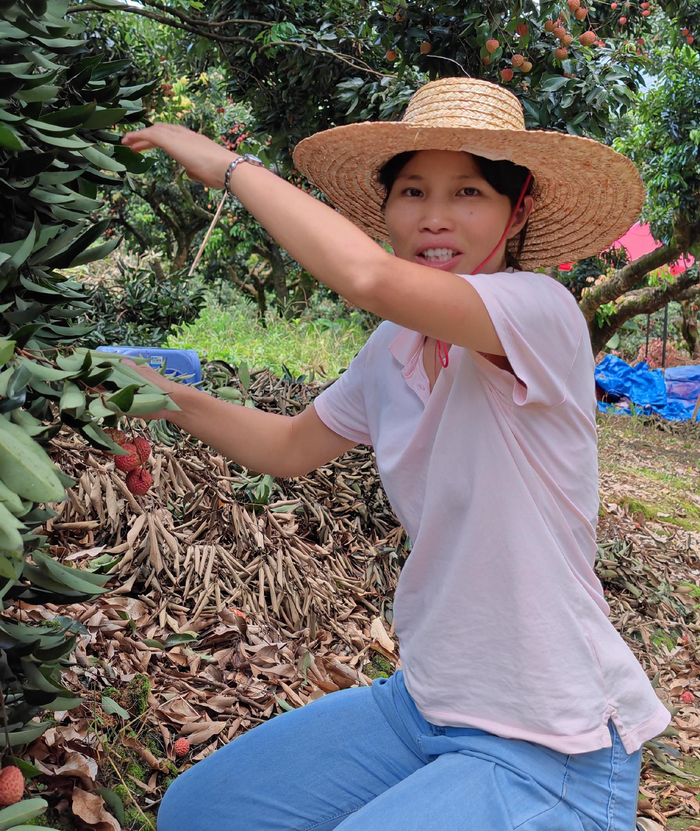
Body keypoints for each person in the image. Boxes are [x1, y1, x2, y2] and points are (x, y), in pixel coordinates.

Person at [121, 76, 668, 831]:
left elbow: (369, 277)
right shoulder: (394, 351)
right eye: (412, 191)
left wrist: (228, 167)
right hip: (428, 705)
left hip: (554, 738)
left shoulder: (539, 314)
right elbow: (287, 446)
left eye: (469, 192)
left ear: (521, 209)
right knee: (201, 811)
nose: (435, 217)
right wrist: (153, 392)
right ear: (385, 207)